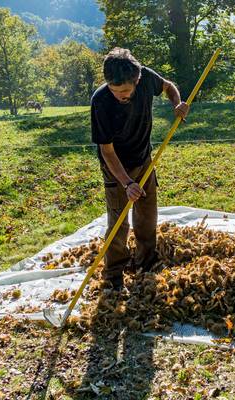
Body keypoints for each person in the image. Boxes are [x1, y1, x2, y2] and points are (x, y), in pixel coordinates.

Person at [90, 47, 189, 289]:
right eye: (115, 91)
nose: (119, 96)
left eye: (125, 91)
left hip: (144, 158)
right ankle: (113, 275)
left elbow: (168, 86)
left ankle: (146, 262)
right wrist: (127, 183)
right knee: (118, 222)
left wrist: (177, 104)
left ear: (137, 81)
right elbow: (107, 151)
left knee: (147, 214)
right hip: (117, 168)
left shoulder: (147, 78)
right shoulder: (101, 102)